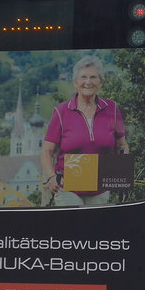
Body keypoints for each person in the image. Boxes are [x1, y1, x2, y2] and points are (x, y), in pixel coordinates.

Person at [40, 55, 129, 207]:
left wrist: (119, 174)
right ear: (75, 83)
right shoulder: (62, 112)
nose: (88, 82)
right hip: (67, 188)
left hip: (100, 189)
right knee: (73, 226)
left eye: (93, 77)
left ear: (100, 82)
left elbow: (122, 145)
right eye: (83, 77)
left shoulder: (112, 109)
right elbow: (47, 151)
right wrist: (50, 177)